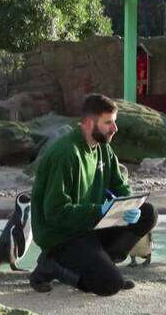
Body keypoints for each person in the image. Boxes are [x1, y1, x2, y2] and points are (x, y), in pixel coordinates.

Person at [29, 93, 158, 296]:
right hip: (61, 235)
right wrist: (100, 210)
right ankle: (50, 265)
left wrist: (129, 204)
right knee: (110, 285)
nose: (115, 129)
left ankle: (101, 265)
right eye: (108, 123)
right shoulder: (65, 154)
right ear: (89, 124)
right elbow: (54, 214)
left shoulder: (103, 149)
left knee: (147, 213)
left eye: (114, 122)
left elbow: (120, 186)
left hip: (88, 226)